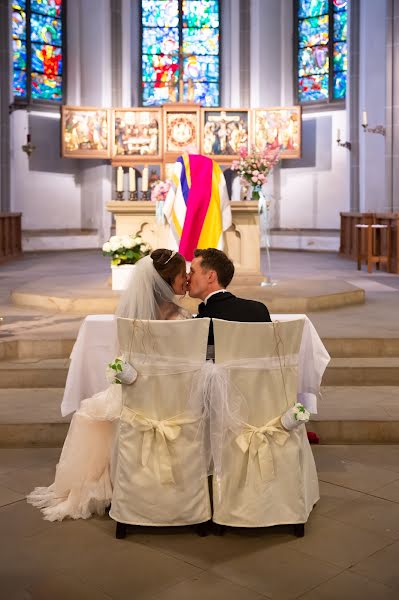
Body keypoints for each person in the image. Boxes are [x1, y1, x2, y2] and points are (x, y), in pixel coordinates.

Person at [27, 249, 190, 521]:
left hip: (135, 392)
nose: (186, 280)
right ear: (167, 281)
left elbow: (124, 358)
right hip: (169, 398)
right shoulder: (181, 318)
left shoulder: (130, 313)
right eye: (182, 276)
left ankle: (120, 485)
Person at [188, 248, 271, 347]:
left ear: (210, 276)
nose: (188, 277)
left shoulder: (203, 322)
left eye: (192, 271)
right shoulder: (259, 310)